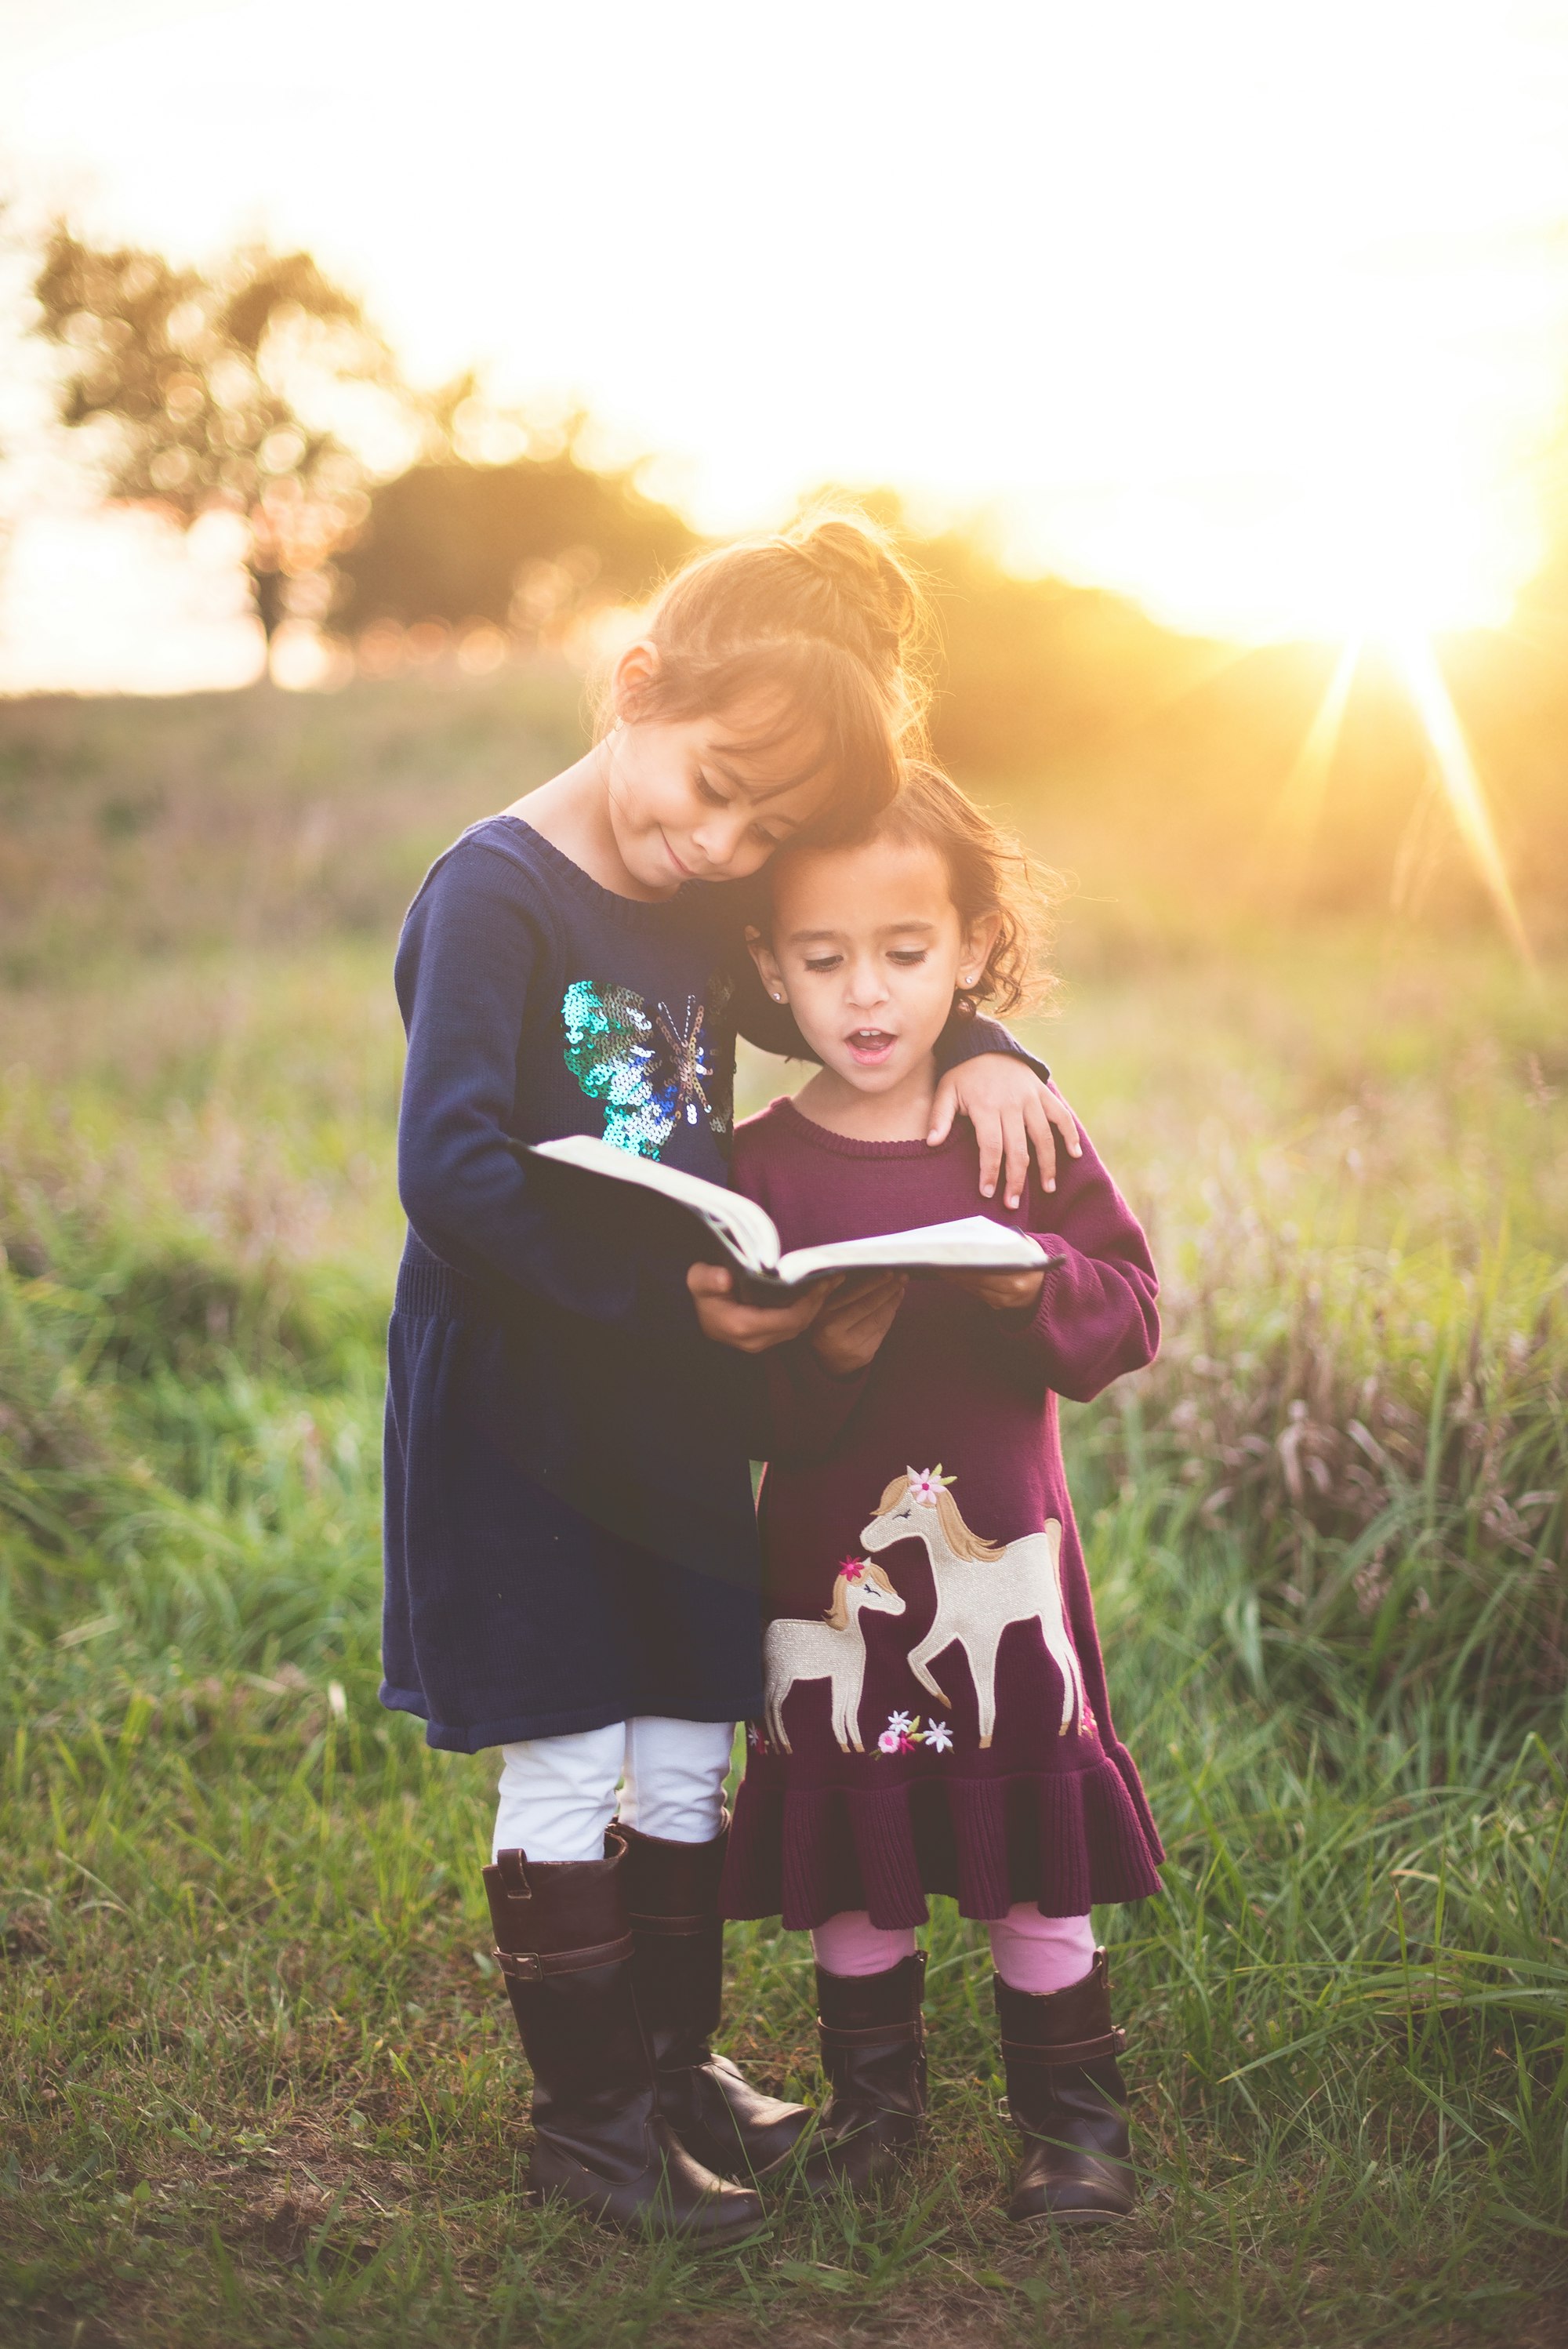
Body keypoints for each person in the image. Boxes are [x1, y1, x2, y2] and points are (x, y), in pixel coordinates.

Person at [381, 514, 1078, 2244]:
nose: (721, 846)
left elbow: (839, 994)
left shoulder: (698, 898)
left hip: (677, 1405)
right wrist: (659, 1297)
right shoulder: (494, 889)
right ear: (634, 687)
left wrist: (983, 1039)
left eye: (762, 831)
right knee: (566, 1750)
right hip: (524, 1406)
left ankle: (675, 2067)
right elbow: (451, 1170)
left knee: (691, 1738)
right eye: (711, 793)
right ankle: (590, 2126)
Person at [720, 763, 1164, 2227]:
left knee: (1032, 1852)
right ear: (770, 968)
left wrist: (1030, 1280)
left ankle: (1073, 2127)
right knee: (854, 1846)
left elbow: (1129, 1314)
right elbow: (726, 1403)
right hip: (827, 1572)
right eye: (823, 958)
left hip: (1003, 1561)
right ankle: (874, 2114)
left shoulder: (1017, 1128)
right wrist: (824, 1356)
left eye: (906, 955)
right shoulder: (756, 1171)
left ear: (971, 950)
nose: (865, 994)